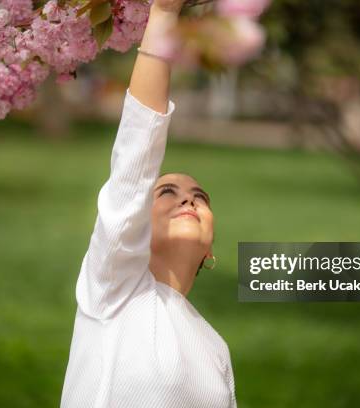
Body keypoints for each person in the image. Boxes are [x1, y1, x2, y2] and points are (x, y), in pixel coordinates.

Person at [60, 1, 237, 407]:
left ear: (209, 250)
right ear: (137, 220)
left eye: (199, 198)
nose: (188, 199)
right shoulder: (113, 286)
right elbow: (137, 152)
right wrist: (163, 14)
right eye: (167, 192)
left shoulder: (215, 348)